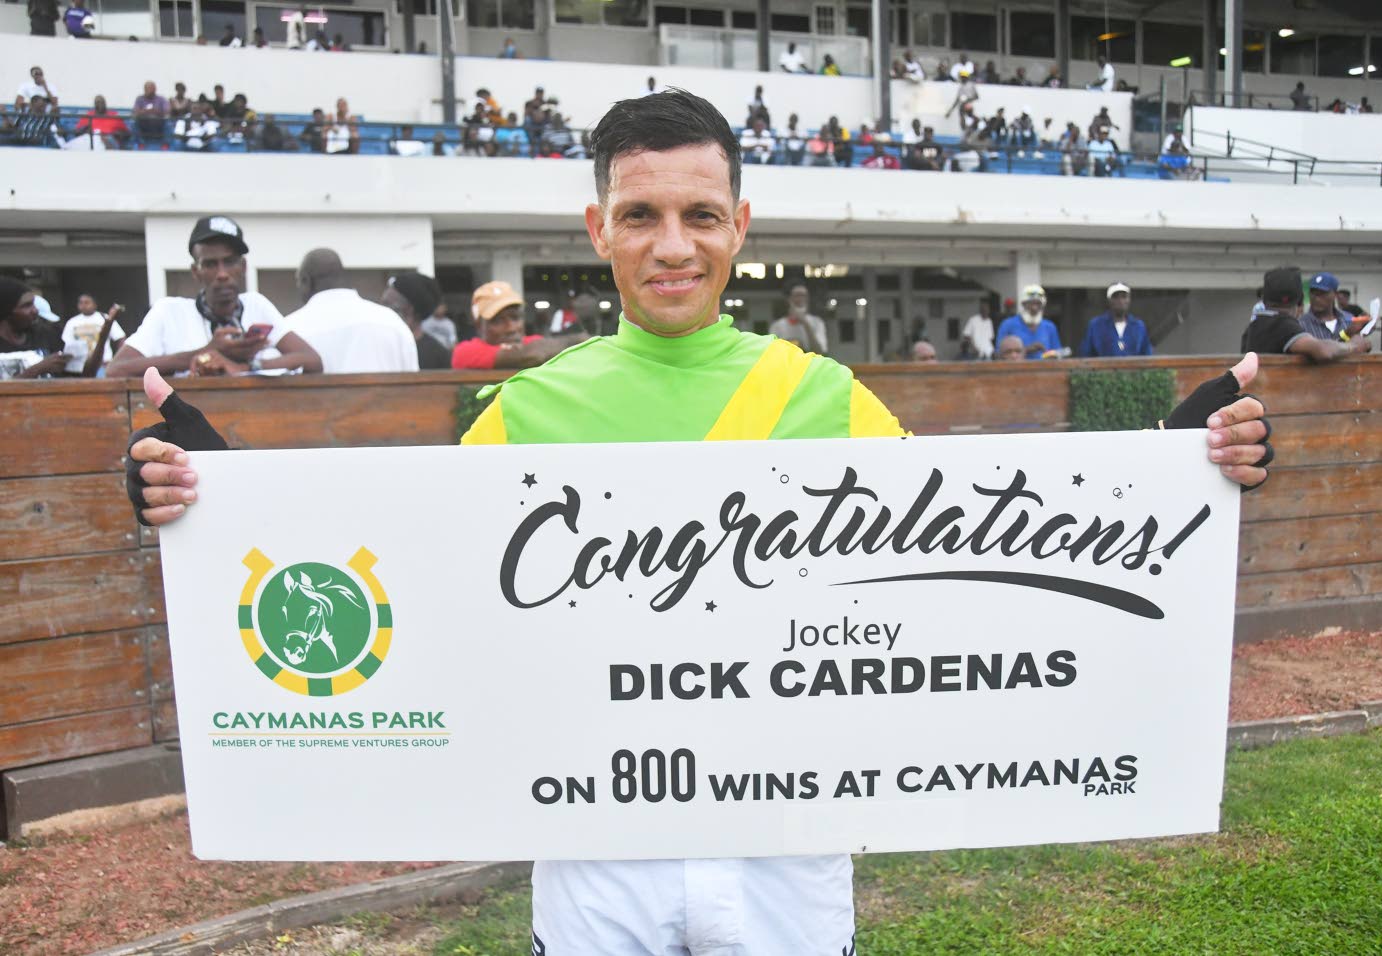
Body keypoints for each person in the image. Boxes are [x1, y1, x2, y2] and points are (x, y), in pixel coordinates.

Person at [126, 90, 1275, 948]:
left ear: (740, 224)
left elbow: (970, 566)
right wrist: (217, 505)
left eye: (699, 213)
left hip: (789, 850)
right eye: (641, 213)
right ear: (598, 226)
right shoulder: (527, 408)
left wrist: (1178, 468)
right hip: (593, 851)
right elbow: (425, 588)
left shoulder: (825, 395)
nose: (672, 243)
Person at [106, 216, 322, 378]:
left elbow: (312, 361)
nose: (222, 274)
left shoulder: (256, 305)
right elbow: (116, 370)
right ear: (195, 272)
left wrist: (247, 367)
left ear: (243, 267)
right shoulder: (169, 312)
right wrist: (206, 352)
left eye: (230, 262)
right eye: (210, 264)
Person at [283, 249, 419, 373]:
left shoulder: (289, 331)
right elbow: (413, 382)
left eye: (298, 281)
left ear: (306, 280)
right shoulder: (391, 321)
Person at [1241, 266, 1371, 363]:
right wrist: (1353, 346)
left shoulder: (1255, 325)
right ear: (1299, 300)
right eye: (1314, 293)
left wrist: (1346, 335)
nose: (1317, 298)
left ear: (1264, 300)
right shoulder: (1283, 324)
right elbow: (1323, 351)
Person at [451, 281, 579, 370]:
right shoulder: (465, 351)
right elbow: (533, 354)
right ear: (479, 325)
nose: (511, 328)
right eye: (497, 321)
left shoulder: (533, 342)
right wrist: (578, 340)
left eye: (515, 317)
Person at [379, 271, 450, 370]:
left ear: (409, 310)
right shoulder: (376, 344)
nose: (380, 311)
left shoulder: (438, 355)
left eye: (387, 305)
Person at [0, 276, 68, 379]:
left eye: (33, 304)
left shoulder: (45, 335)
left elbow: (78, 377)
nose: (35, 310)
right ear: (6, 311)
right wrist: (37, 369)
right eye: (26, 306)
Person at [1078, 283, 1153, 357]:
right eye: (1116, 297)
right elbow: (1086, 354)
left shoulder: (1138, 326)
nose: (1120, 301)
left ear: (1129, 300)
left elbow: (1147, 355)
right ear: (1109, 300)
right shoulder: (1096, 325)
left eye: (1124, 297)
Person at [61, 295, 125, 376]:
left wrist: (117, 360)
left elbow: (120, 338)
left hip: (102, 365)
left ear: (95, 305)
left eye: (87, 303)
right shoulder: (72, 322)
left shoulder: (105, 318)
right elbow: (66, 344)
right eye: (81, 303)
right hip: (77, 368)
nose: (83, 305)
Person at [995, 285, 1062, 358]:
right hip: (1018, 365)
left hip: (1044, 365)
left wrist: (1049, 354)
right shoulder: (1008, 324)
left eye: (1038, 304)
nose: (1034, 308)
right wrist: (1026, 350)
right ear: (1023, 304)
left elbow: (1057, 352)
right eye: (1031, 303)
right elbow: (999, 354)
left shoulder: (1050, 326)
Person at [771, 285, 828, 354]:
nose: (800, 299)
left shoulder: (817, 322)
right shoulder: (777, 325)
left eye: (804, 296)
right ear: (789, 300)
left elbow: (819, 352)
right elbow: (772, 352)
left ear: (808, 300)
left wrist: (805, 323)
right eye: (797, 295)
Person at [1298, 272, 1354, 341]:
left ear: (1335, 294)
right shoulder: (1300, 325)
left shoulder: (1348, 320)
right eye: (1313, 293)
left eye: (1322, 293)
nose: (1317, 299)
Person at [131, 81, 169, 146]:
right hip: (143, 123)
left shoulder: (161, 99)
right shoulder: (139, 99)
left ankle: (165, 144)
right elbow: (135, 112)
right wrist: (145, 111)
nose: (150, 90)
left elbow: (167, 111)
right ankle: (141, 143)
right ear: (144, 89)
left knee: (168, 124)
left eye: (152, 88)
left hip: (158, 123)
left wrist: (156, 111)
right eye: (148, 88)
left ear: (155, 89)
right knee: (134, 123)